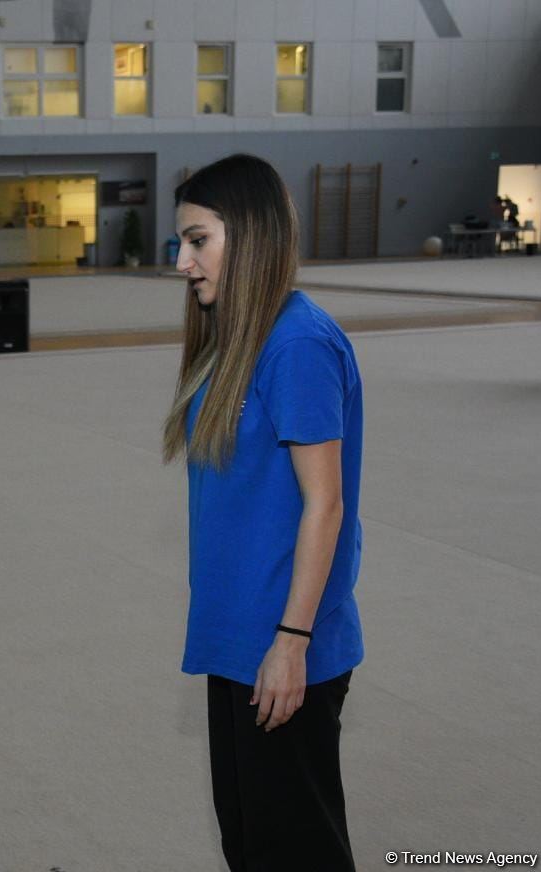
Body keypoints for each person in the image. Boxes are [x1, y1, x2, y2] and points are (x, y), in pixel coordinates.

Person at [165, 154, 364, 871]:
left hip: (283, 645)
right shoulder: (239, 339)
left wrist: (290, 642)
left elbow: (326, 503)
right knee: (251, 846)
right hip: (237, 635)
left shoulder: (298, 343)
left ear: (248, 234)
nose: (183, 261)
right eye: (181, 243)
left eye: (198, 239)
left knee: (295, 851)